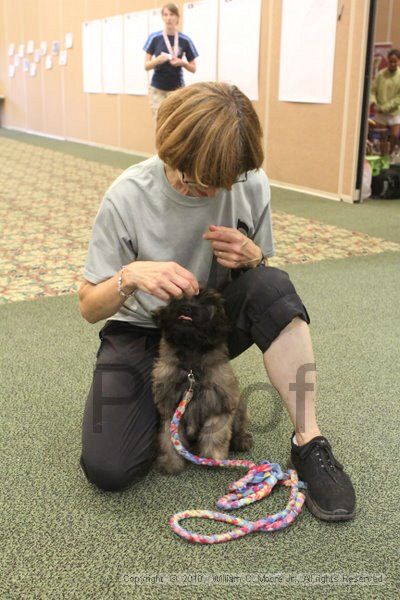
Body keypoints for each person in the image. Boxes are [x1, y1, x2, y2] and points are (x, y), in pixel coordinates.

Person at [79, 82, 356, 522]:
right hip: (141, 331)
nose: (212, 194)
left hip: (212, 326)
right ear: (172, 154)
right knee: (108, 468)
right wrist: (131, 275)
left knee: (273, 286)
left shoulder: (249, 181)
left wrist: (254, 256)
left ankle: (310, 440)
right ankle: (161, 405)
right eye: (199, 182)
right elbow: (89, 305)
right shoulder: (127, 195)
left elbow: (262, 282)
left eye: (223, 183)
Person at [143, 3, 198, 117]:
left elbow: (193, 68)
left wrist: (182, 63)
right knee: (161, 122)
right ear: (162, 17)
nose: (168, 18)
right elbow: (146, 66)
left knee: (175, 123)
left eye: (172, 14)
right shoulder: (155, 38)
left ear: (177, 17)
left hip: (177, 89)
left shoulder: (185, 40)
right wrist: (157, 60)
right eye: (165, 14)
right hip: (157, 89)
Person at [370, 49, 400, 154]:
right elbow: (372, 91)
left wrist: (386, 107)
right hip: (380, 112)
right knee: (382, 136)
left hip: (394, 112)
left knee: (395, 135)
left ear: (399, 61)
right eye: (390, 61)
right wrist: (373, 102)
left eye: (394, 61)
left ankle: (391, 153)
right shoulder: (380, 74)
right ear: (387, 60)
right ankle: (384, 157)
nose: (392, 64)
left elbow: (399, 97)